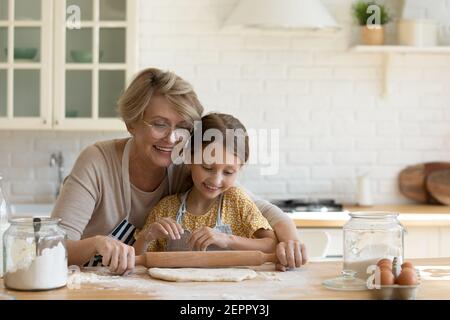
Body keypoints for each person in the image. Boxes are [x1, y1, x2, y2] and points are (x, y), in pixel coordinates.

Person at [51, 67, 307, 275]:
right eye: (159, 124)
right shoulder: (97, 162)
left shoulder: (188, 165)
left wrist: (291, 243)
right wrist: (96, 243)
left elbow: (265, 211)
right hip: (90, 285)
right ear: (131, 123)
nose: (172, 138)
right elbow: (51, 245)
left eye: (182, 126)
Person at [134, 113, 277, 254]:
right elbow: (137, 258)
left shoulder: (237, 202)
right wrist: (147, 236)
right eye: (207, 168)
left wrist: (228, 239)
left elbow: (271, 245)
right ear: (189, 158)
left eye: (228, 172)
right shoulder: (166, 209)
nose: (216, 180)